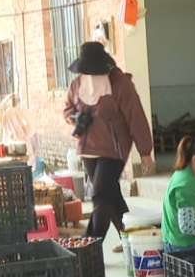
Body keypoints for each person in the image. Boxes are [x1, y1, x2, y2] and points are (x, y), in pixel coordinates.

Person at [63, 42, 155, 250]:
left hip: (114, 150)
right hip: (87, 149)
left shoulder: (120, 84)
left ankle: (89, 246)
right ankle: (131, 239)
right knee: (111, 195)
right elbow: (67, 109)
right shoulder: (78, 84)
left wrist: (145, 151)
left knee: (101, 196)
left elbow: (136, 117)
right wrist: (74, 118)